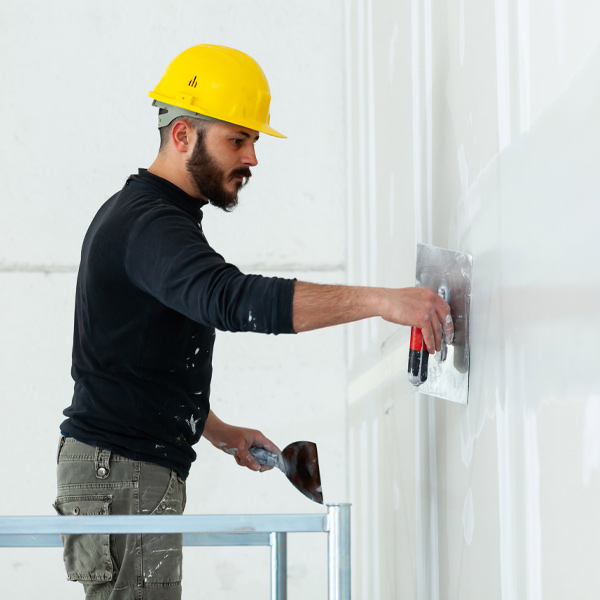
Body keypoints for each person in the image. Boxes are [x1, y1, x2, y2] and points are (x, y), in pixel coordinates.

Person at [55, 44, 453, 600]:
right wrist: (385, 303)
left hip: (122, 466)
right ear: (182, 135)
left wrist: (214, 430)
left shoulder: (150, 218)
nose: (252, 158)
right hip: (123, 470)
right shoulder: (149, 225)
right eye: (236, 140)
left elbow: (130, 358)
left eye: (254, 141)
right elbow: (228, 298)